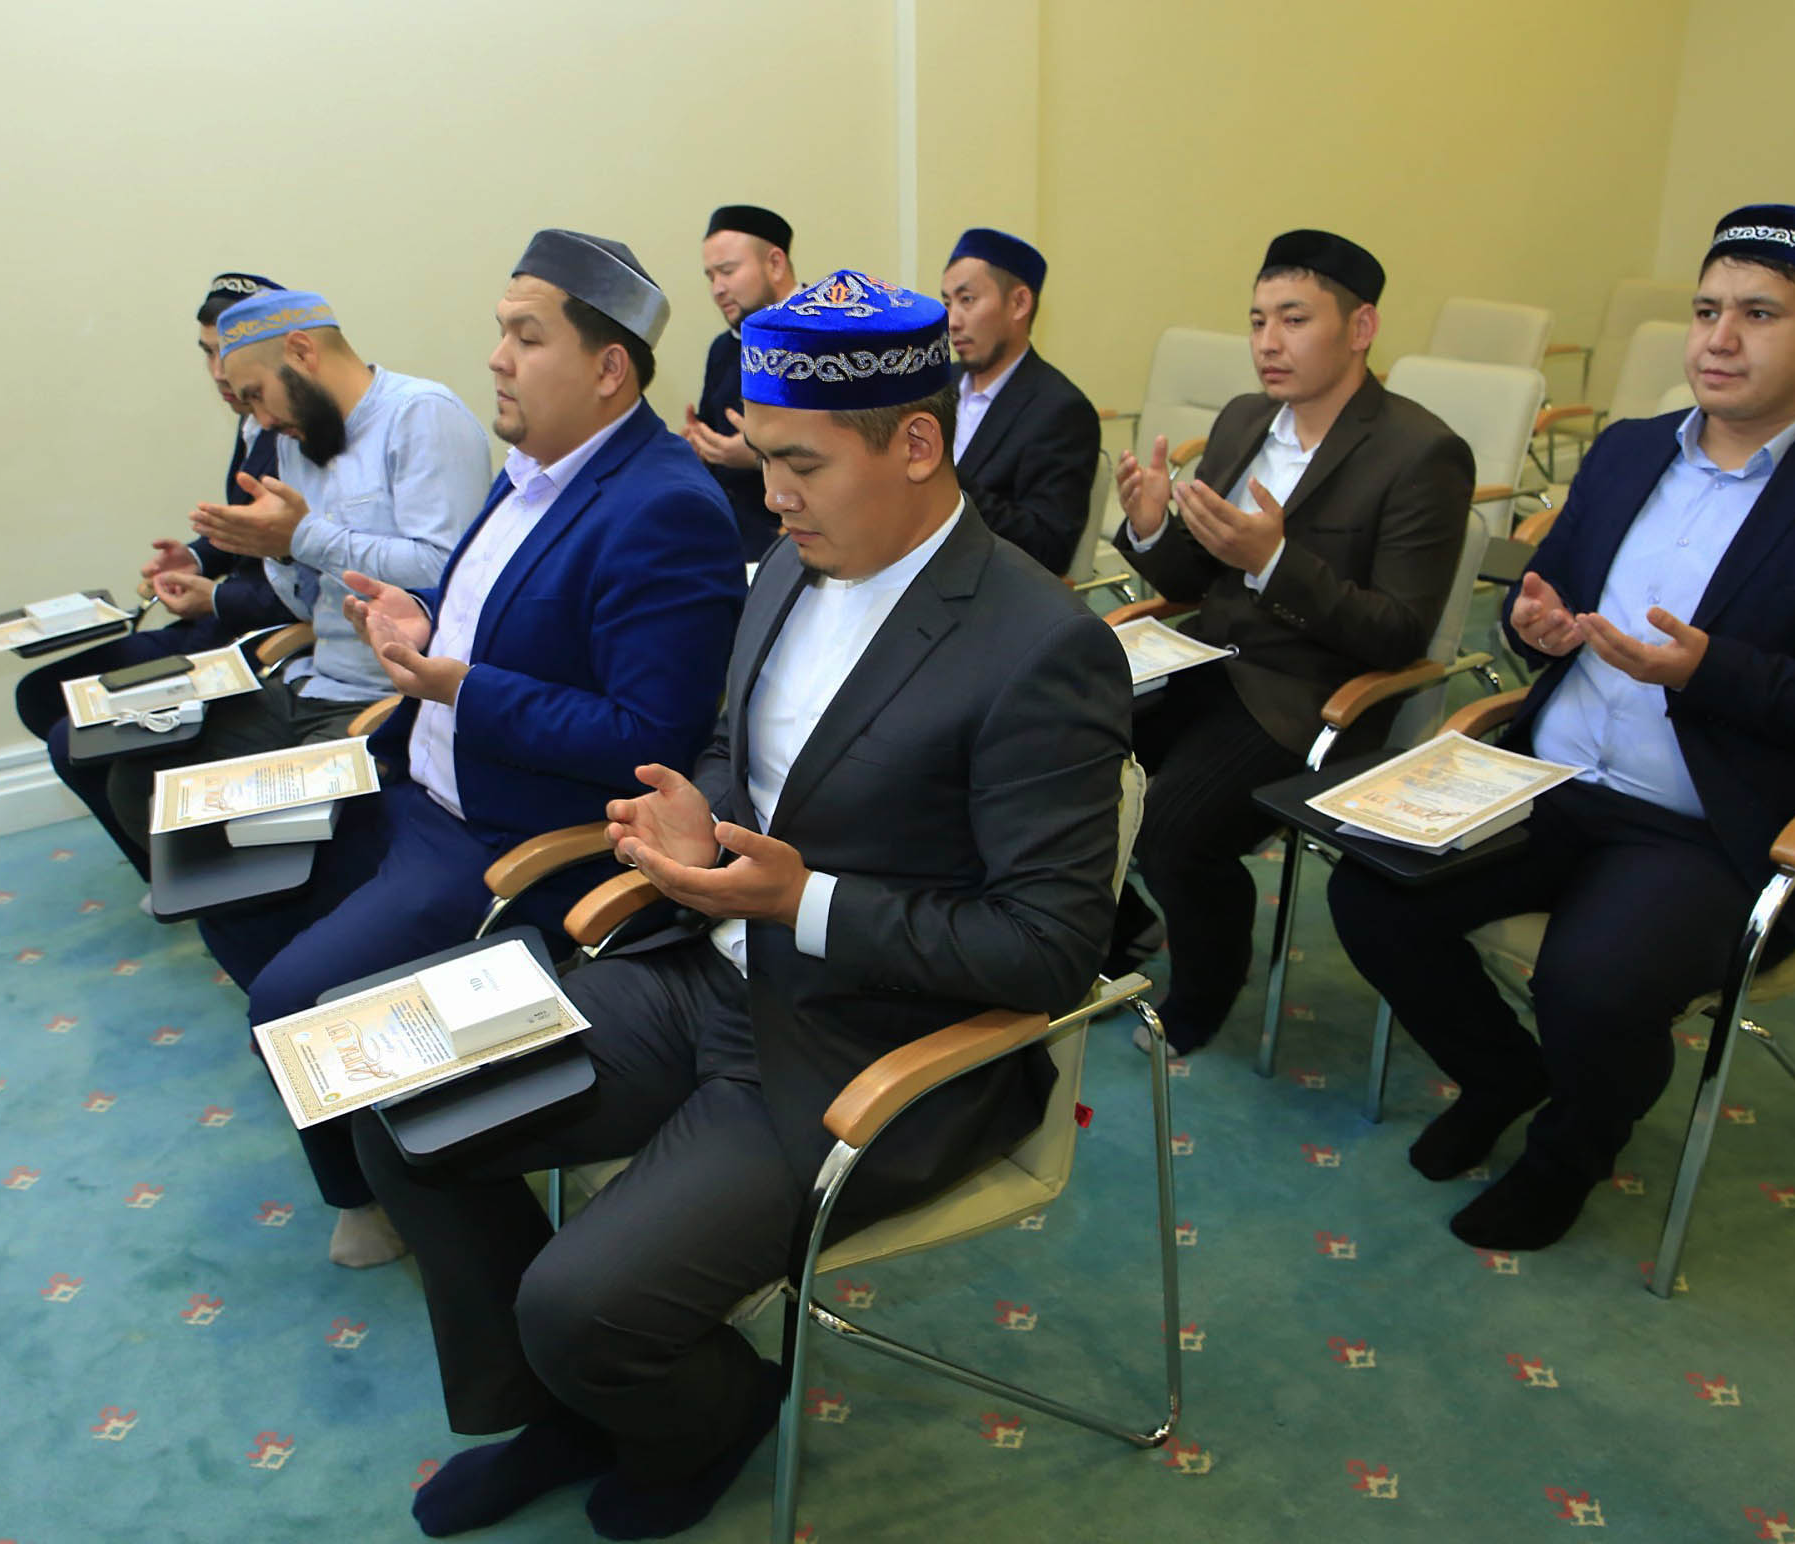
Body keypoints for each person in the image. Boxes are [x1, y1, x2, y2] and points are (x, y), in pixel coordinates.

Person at [353, 270, 1133, 1540]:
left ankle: (713, 1410)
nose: (769, 493)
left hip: (863, 1042)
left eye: (799, 463)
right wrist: (700, 821)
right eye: (761, 459)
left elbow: (1048, 949)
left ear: (916, 444)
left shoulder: (1038, 644)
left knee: (578, 1302)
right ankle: (564, 1405)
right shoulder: (783, 567)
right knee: (399, 1103)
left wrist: (802, 897)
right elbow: (734, 748)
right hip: (700, 969)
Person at [1325, 204, 1795, 1251]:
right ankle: (1505, 1074)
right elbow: (1548, 598)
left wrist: (1713, 672)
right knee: (1369, 894)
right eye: (1707, 311)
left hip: (1711, 822)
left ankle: (1570, 1152)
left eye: (1758, 315)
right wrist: (1531, 625)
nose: (1719, 339)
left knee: (1591, 986)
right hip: (1548, 781)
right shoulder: (1630, 450)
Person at [196, 232, 746, 1269]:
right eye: (501, 331)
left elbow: (648, 739)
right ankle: (374, 1119)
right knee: (219, 870)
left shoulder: (663, 505)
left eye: (525, 337)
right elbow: (495, 622)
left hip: (501, 838)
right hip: (416, 782)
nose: (496, 357)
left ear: (607, 367)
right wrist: (423, 621)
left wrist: (462, 685)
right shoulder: (532, 468)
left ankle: (393, 1193)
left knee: (287, 1000)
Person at [1110, 230, 1473, 1056]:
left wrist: (1273, 562)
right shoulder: (1246, 419)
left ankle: (1204, 991)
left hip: (1310, 695)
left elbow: (1397, 633)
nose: (1268, 343)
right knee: (1053, 747)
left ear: (1361, 327)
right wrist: (1152, 525)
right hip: (1207, 658)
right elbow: (1194, 579)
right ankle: (1118, 931)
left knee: (1173, 830)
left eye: (1294, 319)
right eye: (1257, 320)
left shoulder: (1420, 452)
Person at [90, 288, 490, 863]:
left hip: (392, 703)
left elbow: (446, 574)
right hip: (313, 682)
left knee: (249, 840)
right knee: (140, 783)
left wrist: (301, 537)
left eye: (257, 395)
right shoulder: (299, 441)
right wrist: (274, 551)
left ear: (302, 352)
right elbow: (307, 605)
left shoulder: (420, 415)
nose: (262, 420)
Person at [17, 273, 300, 872]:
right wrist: (194, 558)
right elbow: (248, 529)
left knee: (74, 740)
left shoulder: (296, 427)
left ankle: (175, 871)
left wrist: (213, 599)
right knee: (41, 694)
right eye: (207, 354)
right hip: (214, 622)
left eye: (228, 354)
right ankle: (161, 857)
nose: (218, 373)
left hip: (252, 639)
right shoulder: (252, 419)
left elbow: (308, 576)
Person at [939, 227, 1102, 574]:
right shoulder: (937, 384)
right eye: (948, 303)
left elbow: (1048, 548)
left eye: (967, 300)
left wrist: (942, 477)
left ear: (1019, 304)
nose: (952, 322)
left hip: (984, 583)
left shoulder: (1060, 411)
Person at [684, 204, 798, 558]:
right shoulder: (723, 348)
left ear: (775, 264)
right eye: (710, 277)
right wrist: (699, 446)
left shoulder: (825, 336)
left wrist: (759, 456)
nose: (717, 289)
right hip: (722, 535)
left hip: (790, 541)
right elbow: (712, 428)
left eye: (728, 272)